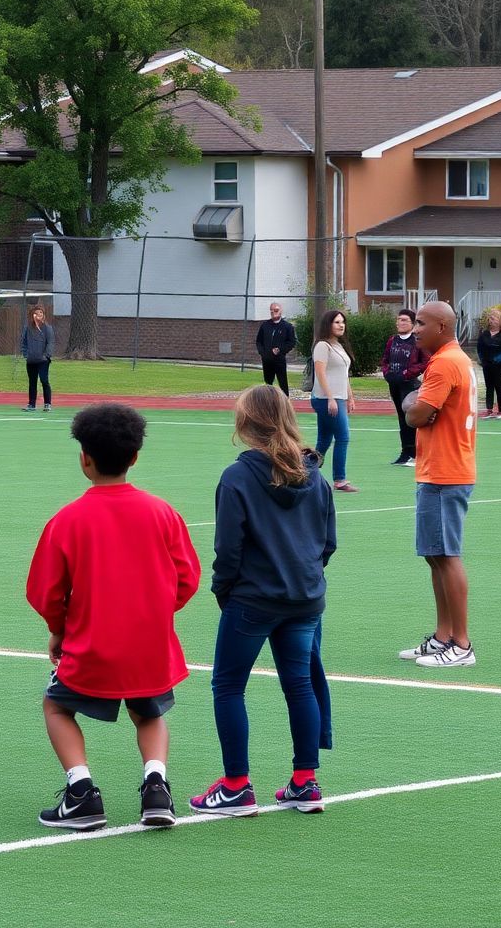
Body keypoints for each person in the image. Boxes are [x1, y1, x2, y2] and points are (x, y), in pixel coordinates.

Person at [26, 403, 200, 830]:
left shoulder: (67, 520)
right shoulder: (163, 513)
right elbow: (188, 578)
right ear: (135, 457)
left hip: (92, 647)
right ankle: (156, 786)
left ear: (84, 458)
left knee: (56, 706)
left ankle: (81, 790)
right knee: (151, 713)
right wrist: (155, 611)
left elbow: (44, 591)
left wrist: (59, 630)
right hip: (149, 646)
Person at [190, 385, 335, 816]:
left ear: (244, 424)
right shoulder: (316, 476)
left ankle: (236, 784)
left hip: (253, 600)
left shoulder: (237, 477)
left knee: (229, 686)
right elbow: (327, 544)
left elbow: (228, 549)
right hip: (304, 599)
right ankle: (305, 782)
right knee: (300, 684)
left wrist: (224, 591)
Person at [401, 301, 477, 668]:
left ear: (442, 327)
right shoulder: (453, 359)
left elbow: (416, 414)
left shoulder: (446, 362)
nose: (415, 328)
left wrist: (411, 402)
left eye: (421, 322)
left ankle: (461, 644)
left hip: (446, 471)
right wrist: (417, 404)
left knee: (446, 555)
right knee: (435, 555)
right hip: (438, 470)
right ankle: (443, 637)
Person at [310, 309, 358, 493]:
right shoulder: (323, 346)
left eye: (342, 322)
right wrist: (331, 398)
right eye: (337, 322)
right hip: (326, 398)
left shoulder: (338, 345)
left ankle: (305, 471)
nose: (341, 325)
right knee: (343, 437)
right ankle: (340, 479)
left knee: (324, 439)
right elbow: (320, 373)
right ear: (328, 324)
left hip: (338, 398)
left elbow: (343, 375)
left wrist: (350, 396)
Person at [381, 308, 429, 464]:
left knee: (411, 419)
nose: (400, 323)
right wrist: (387, 374)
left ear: (412, 323)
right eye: (398, 319)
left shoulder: (417, 340)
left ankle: (417, 453)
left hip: (409, 385)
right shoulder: (392, 340)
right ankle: (405, 452)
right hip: (394, 385)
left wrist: (407, 374)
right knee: (402, 420)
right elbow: (385, 360)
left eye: (404, 320)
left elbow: (425, 362)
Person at [476, 308, 501, 420]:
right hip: (487, 365)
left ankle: (500, 411)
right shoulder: (484, 334)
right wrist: (483, 360)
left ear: (499, 320)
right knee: (489, 387)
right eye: (490, 319)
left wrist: (497, 359)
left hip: (500, 366)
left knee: (499, 387)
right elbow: (479, 349)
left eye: (494, 318)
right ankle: (489, 410)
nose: (491, 321)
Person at [255, 302, 297, 396]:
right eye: (271, 311)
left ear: (281, 311)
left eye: (276, 310)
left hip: (279, 360)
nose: (274, 312)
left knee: (282, 382)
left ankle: (286, 403)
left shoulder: (287, 327)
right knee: (268, 384)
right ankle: (269, 403)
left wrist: (280, 350)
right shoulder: (265, 325)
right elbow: (259, 341)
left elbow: (291, 342)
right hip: (267, 360)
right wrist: (263, 353)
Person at [20, 304, 55, 412]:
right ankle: (32, 404)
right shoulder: (28, 328)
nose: (38, 315)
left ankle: (47, 404)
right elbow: (24, 342)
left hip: (43, 361)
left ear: (43, 315)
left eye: (41, 313)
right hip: (31, 360)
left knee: (44, 380)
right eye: (36, 313)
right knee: (32, 382)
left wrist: (46, 355)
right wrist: (26, 354)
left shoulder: (47, 328)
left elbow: (50, 343)